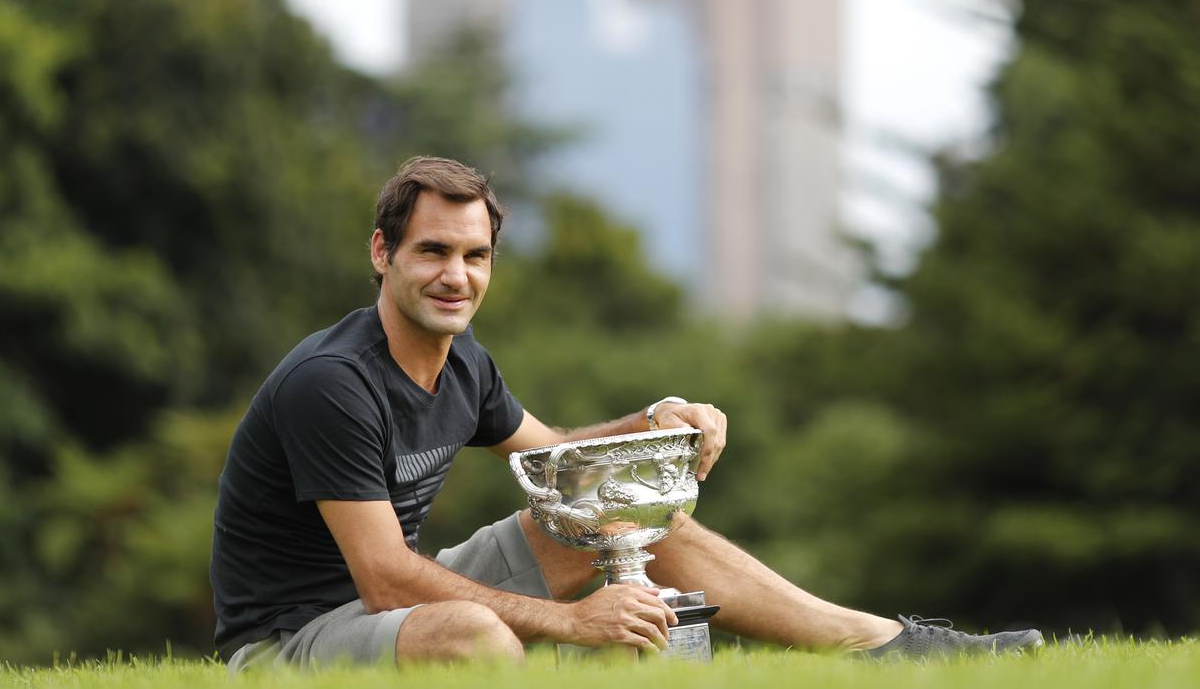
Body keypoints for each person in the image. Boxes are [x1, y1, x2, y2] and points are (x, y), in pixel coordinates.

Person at [209, 156, 1043, 670]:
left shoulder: (463, 365)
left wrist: (654, 422)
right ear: (383, 253)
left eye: (474, 255)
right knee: (474, 638)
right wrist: (573, 621)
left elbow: (558, 459)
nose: (455, 276)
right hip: (292, 637)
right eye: (432, 251)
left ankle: (887, 648)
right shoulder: (334, 382)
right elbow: (385, 578)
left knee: (630, 517)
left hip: (384, 604)